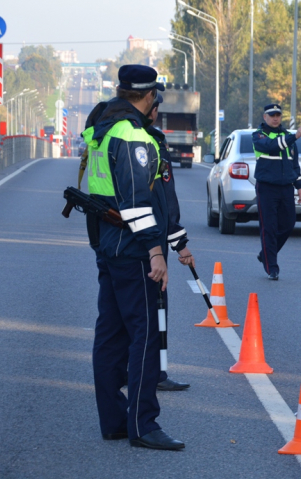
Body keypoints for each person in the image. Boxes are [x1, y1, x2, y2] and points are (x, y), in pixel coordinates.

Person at [81, 64, 184, 451]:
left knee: (110, 336)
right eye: (156, 96)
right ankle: (143, 424)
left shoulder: (103, 128)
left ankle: (115, 421)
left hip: (109, 247)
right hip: (133, 249)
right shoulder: (132, 136)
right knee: (144, 336)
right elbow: (137, 201)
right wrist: (156, 251)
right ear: (148, 97)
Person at [146, 93, 192, 392]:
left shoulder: (106, 134)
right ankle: (154, 376)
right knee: (153, 313)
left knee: (118, 320)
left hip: (114, 242)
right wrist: (171, 246)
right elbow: (163, 199)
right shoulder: (149, 142)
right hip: (148, 244)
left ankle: (123, 374)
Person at [252, 103, 301, 280]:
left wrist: (299, 186)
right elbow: (271, 146)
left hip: (285, 188)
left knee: (288, 224)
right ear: (265, 117)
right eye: (272, 115)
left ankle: (266, 253)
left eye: (278, 115)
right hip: (266, 188)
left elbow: (294, 164)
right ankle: (272, 267)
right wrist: (295, 137)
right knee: (269, 227)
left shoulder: (287, 136)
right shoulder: (258, 136)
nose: (275, 118)